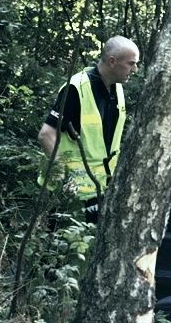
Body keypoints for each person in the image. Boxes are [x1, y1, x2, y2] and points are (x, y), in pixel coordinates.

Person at [37, 36, 140, 223]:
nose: (135, 69)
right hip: (72, 191)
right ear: (112, 61)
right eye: (131, 63)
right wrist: (63, 175)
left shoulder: (117, 89)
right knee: (64, 248)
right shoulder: (76, 89)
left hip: (101, 185)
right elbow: (46, 134)